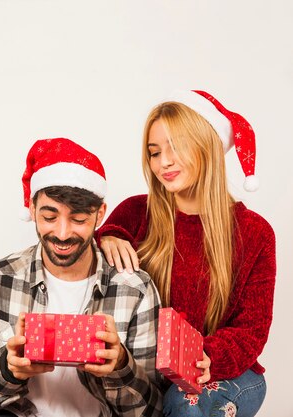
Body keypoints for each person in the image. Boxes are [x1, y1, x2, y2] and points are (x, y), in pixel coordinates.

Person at [97, 90, 276, 417]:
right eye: (154, 152)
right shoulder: (136, 212)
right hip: (151, 371)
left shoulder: (254, 232)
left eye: (175, 147)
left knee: (185, 403)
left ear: (207, 146)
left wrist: (205, 356)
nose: (163, 162)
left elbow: (252, 331)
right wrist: (107, 235)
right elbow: (87, 268)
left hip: (228, 372)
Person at [0, 138, 163, 417]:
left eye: (78, 219)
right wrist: (8, 369)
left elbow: (154, 410)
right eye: (49, 217)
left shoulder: (134, 288)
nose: (63, 233)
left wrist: (121, 366)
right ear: (32, 210)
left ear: (100, 214)